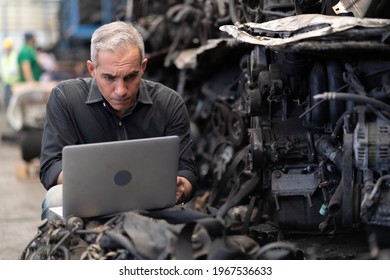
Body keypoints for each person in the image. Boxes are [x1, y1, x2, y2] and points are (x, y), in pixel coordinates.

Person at [39, 21, 198, 220]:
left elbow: (187, 169)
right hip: (87, 200)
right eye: (109, 78)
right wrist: (94, 185)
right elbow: (50, 166)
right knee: (56, 198)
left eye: (130, 77)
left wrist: (182, 185)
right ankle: (61, 250)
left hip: (150, 203)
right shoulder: (65, 99)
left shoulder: (169, 103)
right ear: (92, 69)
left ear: (143, 67)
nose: (121, 90)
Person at [1, 37, 19, 109]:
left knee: (14, 102)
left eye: (8, 48)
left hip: (14, 83)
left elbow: (14, 69)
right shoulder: (4, 57)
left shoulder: (15, 56)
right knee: (9, 102)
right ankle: (10, 118)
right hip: (6, 83)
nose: (7, 49)